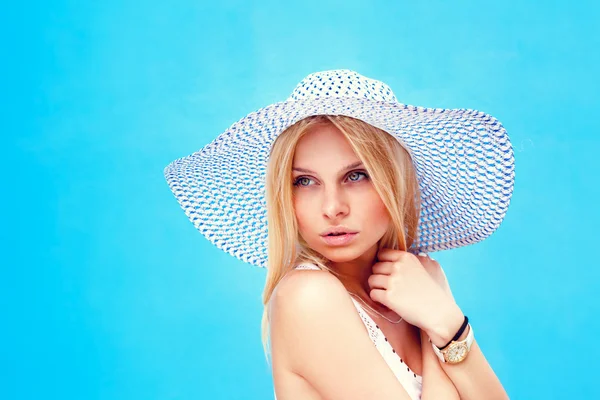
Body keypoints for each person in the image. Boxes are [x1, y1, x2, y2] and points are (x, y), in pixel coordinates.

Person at [164, 69, 514, 399]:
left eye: (356, 175)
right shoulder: (308, 297)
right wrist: (439, 325)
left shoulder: (414, 289)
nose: (332, 207)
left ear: (396, 181)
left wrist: (443, 317)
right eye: (305, 181)